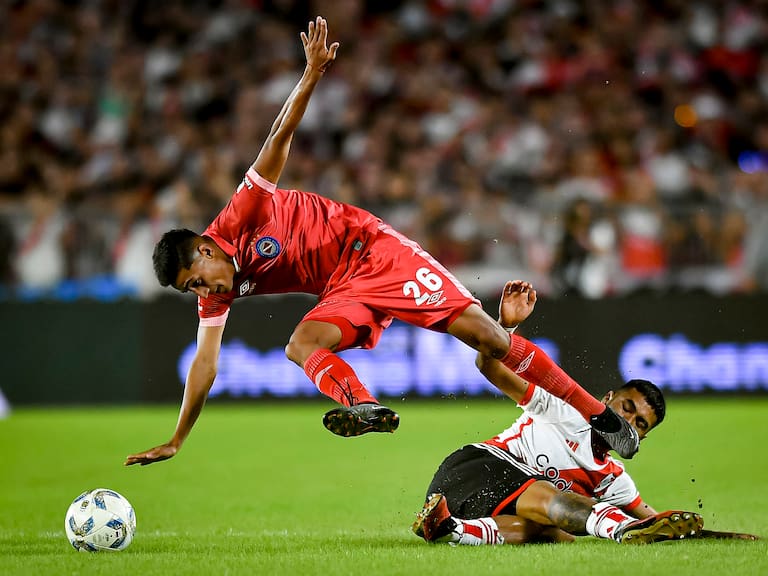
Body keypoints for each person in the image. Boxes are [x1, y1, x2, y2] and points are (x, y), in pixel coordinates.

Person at [124, 18, 637, 468]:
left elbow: (278, 137)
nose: (203, 293)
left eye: (196, 281)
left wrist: (310, 76)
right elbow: (204, 365)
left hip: (375, 253)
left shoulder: (240, 215)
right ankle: (363, 407)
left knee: (490, 340)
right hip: (340, 290)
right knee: (300, 345)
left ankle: (599, 415)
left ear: (207, 251)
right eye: (192, 291)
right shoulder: (217, 289)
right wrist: (177, 439)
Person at [411, 280, 704, 546]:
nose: (627, 421)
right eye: (627, 408)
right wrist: (505, 328)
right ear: (608, 398)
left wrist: (705, 535)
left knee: (554, 534)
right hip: (472, 469)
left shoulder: (614, 481)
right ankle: (620, 529)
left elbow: (656, 521)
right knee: (554, 501)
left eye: (640, 423)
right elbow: (490, 368)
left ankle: (451, 528)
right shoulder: (563, 408)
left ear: (642, 437)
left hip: (469, 506)